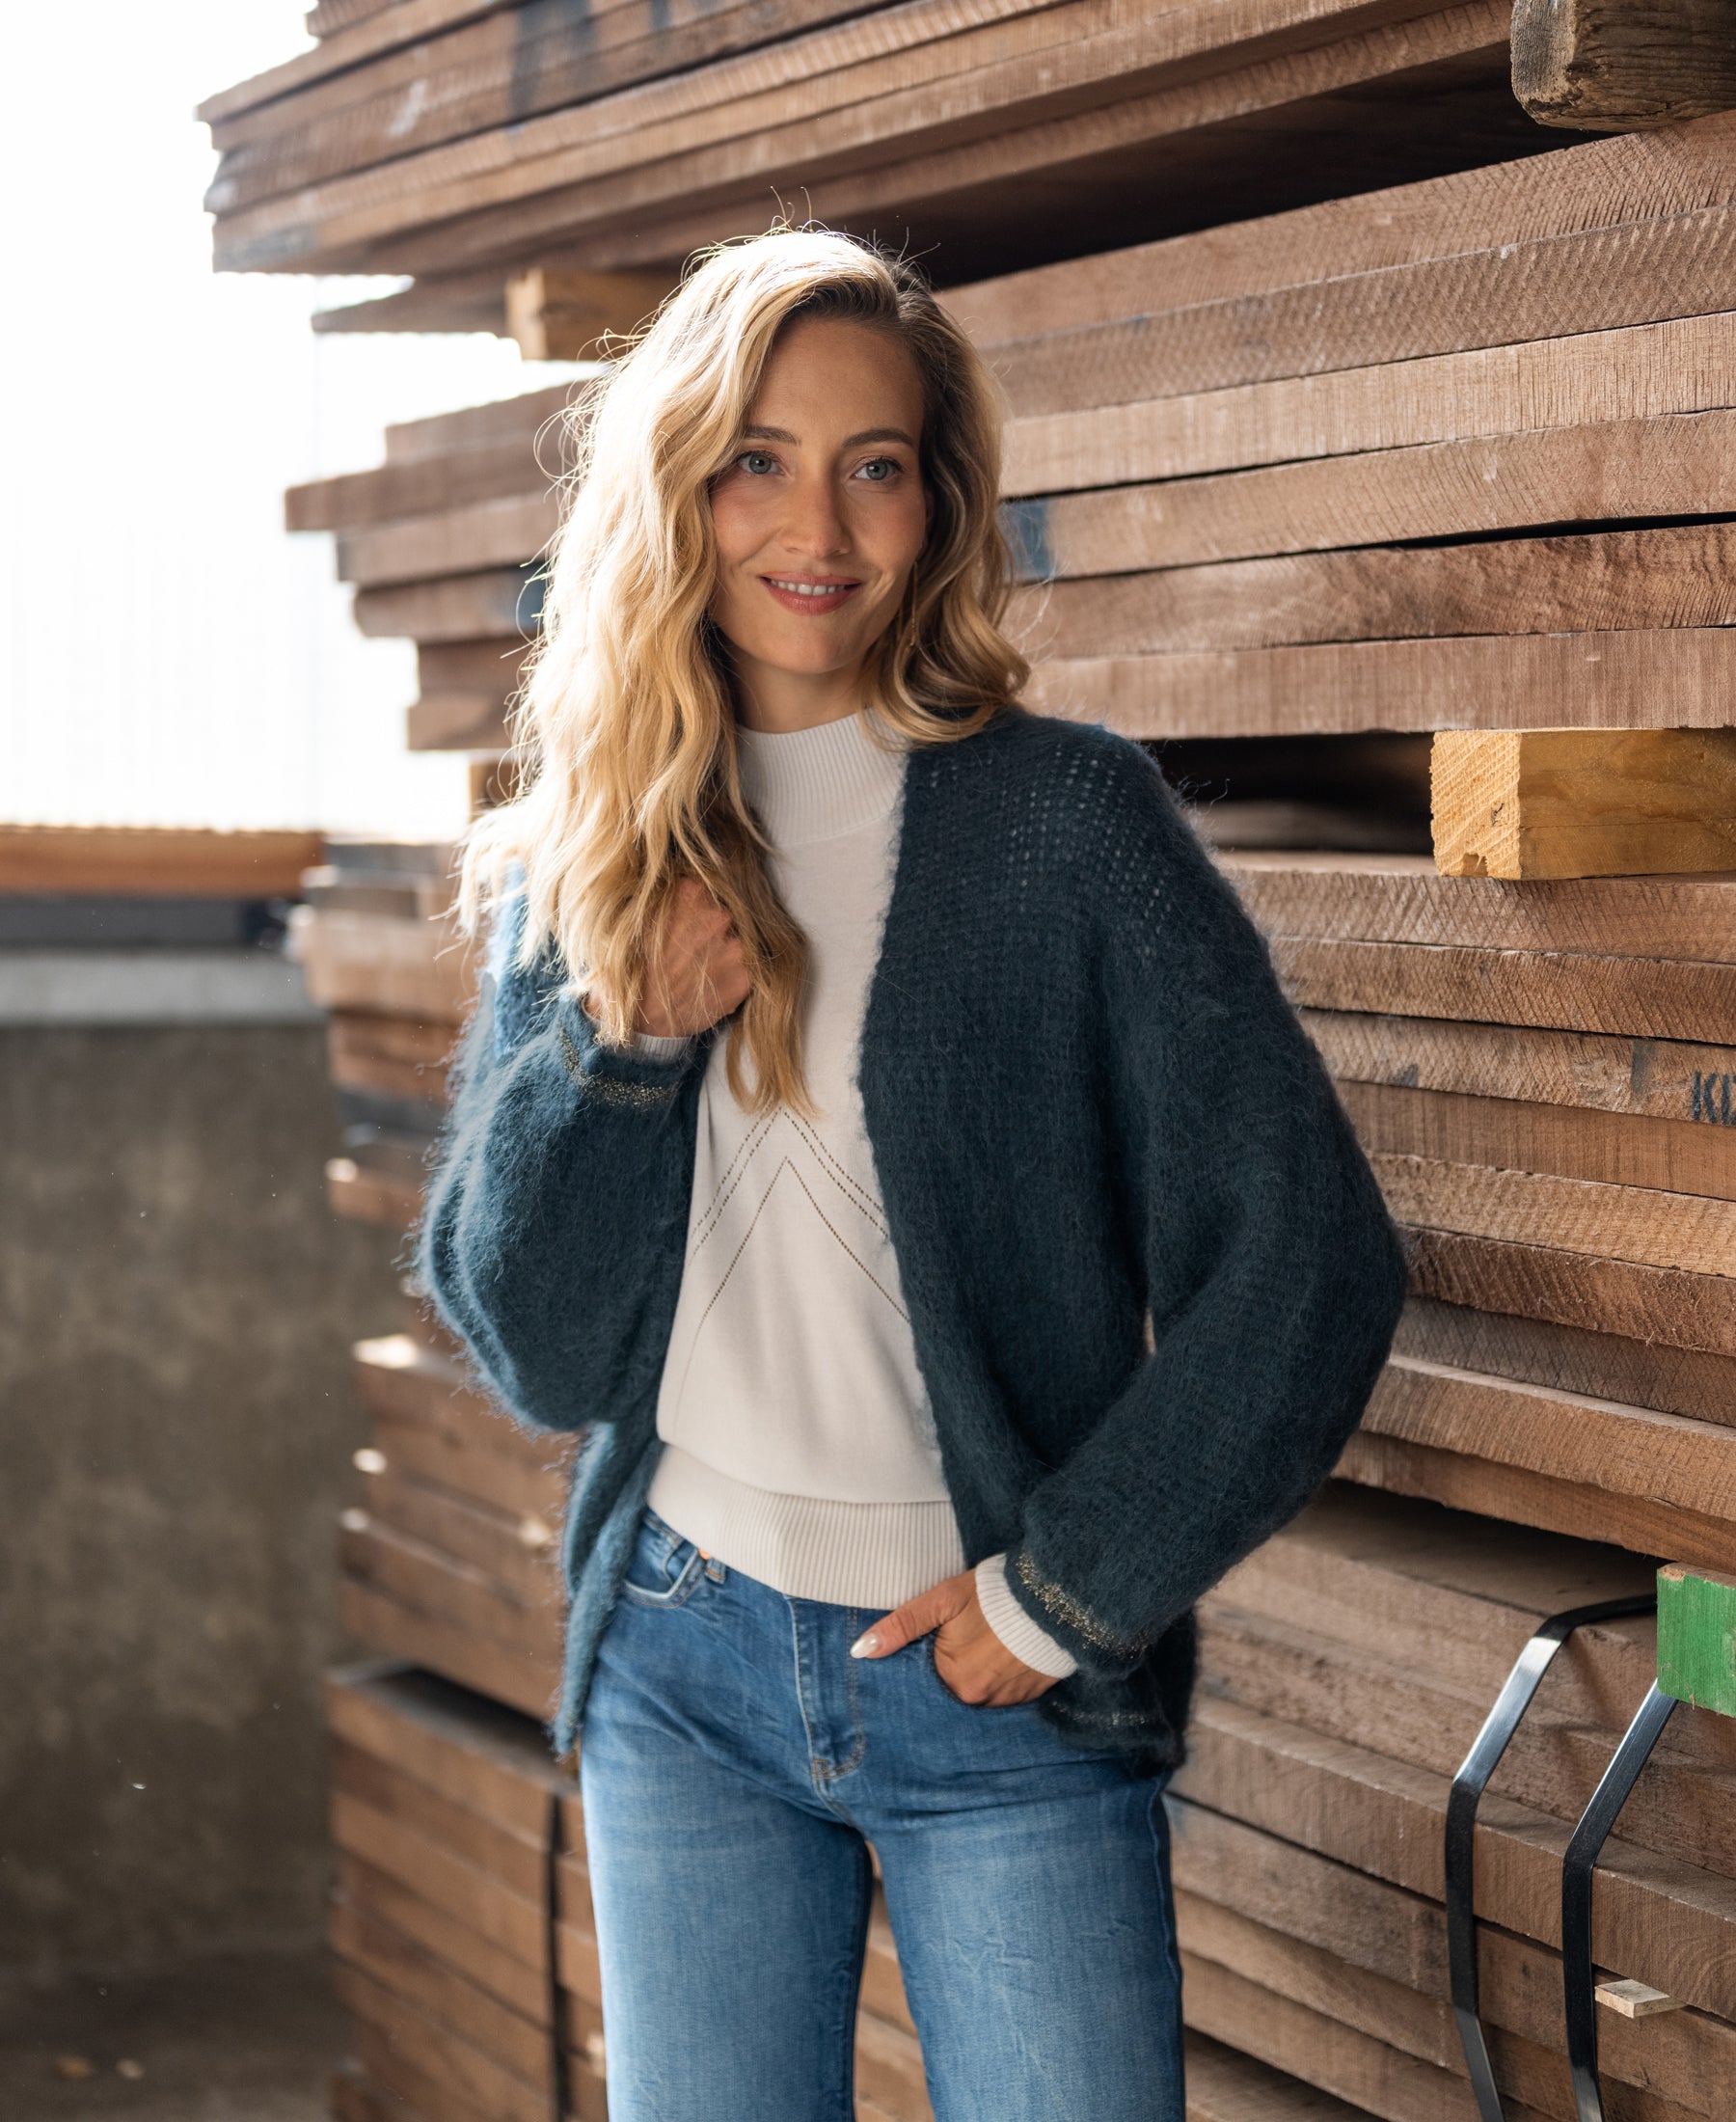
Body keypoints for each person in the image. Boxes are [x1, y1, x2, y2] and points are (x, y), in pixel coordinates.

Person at [415, 224, 1408, 2122]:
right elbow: (534, 1345)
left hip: (994, 1689)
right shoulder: (598, 841)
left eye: (876, 461)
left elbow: (1307, 1260)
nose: (821, 520)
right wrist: (618, 1055)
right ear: (679, 489)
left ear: (940, 500)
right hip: (680, 1661)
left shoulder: (1068, 829)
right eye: (757, 459)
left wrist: (1062, 1598)